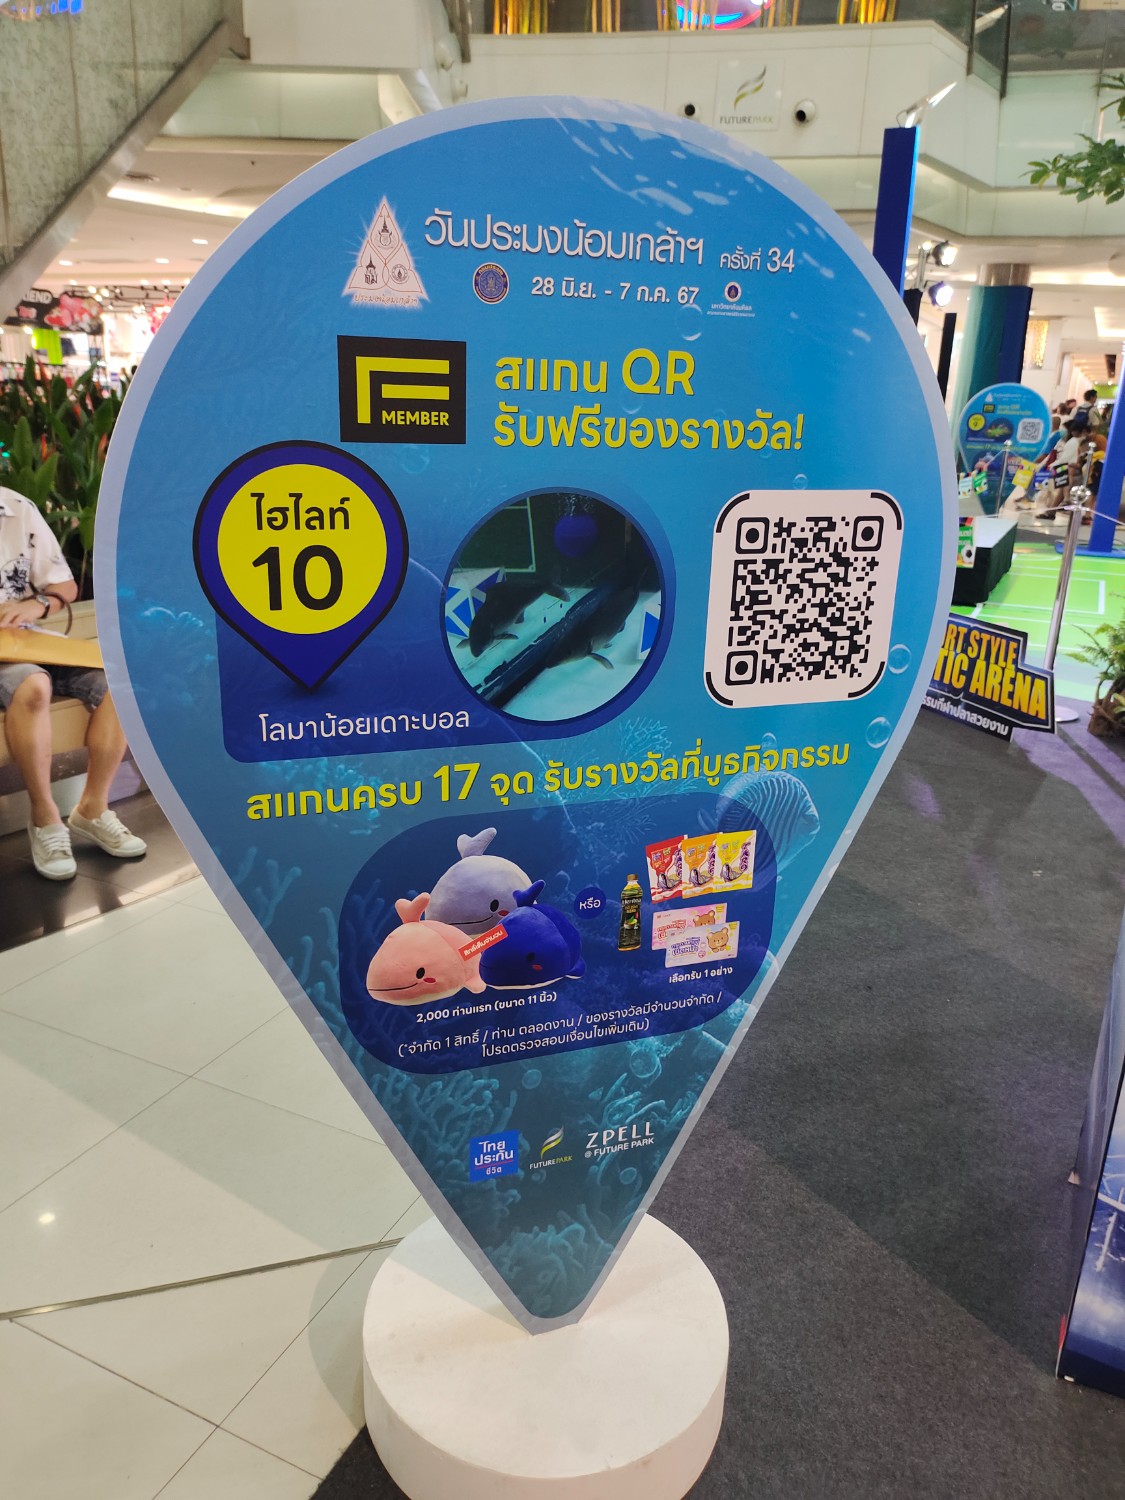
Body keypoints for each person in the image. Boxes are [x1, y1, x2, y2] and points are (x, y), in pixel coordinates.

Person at [0, 485, 146, 879]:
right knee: (34, 685)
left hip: (26, 637)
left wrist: (35, 604)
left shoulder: (17, 508)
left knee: (120, 683)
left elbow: (64, 586)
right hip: (13, 665)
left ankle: (92, 809)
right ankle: (44, 817)